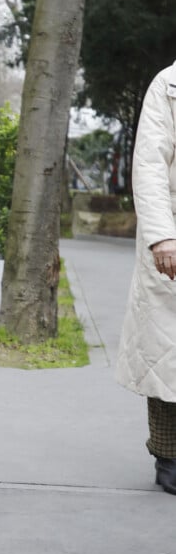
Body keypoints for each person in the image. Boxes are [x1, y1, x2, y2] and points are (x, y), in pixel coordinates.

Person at [116, 59, 176, 495]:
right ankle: (169, 456)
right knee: (166, 353)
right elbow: (150, 166)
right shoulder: (168, 85)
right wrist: (161, 237)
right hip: (172, 236)